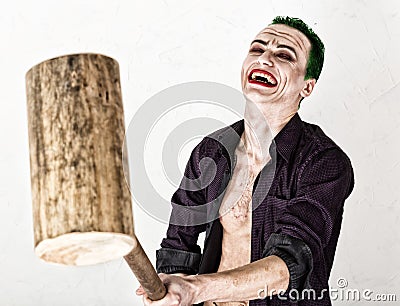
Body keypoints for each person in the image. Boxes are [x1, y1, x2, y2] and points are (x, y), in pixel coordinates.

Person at [136, 16, 354, 305]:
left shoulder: (324, 163)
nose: (264, 58)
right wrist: (172, 294)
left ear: (307, 87)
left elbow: (289, 265)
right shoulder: (210, 151)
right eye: (257, 49)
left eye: (284, 55)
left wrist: (194, 289)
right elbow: (178, 248)